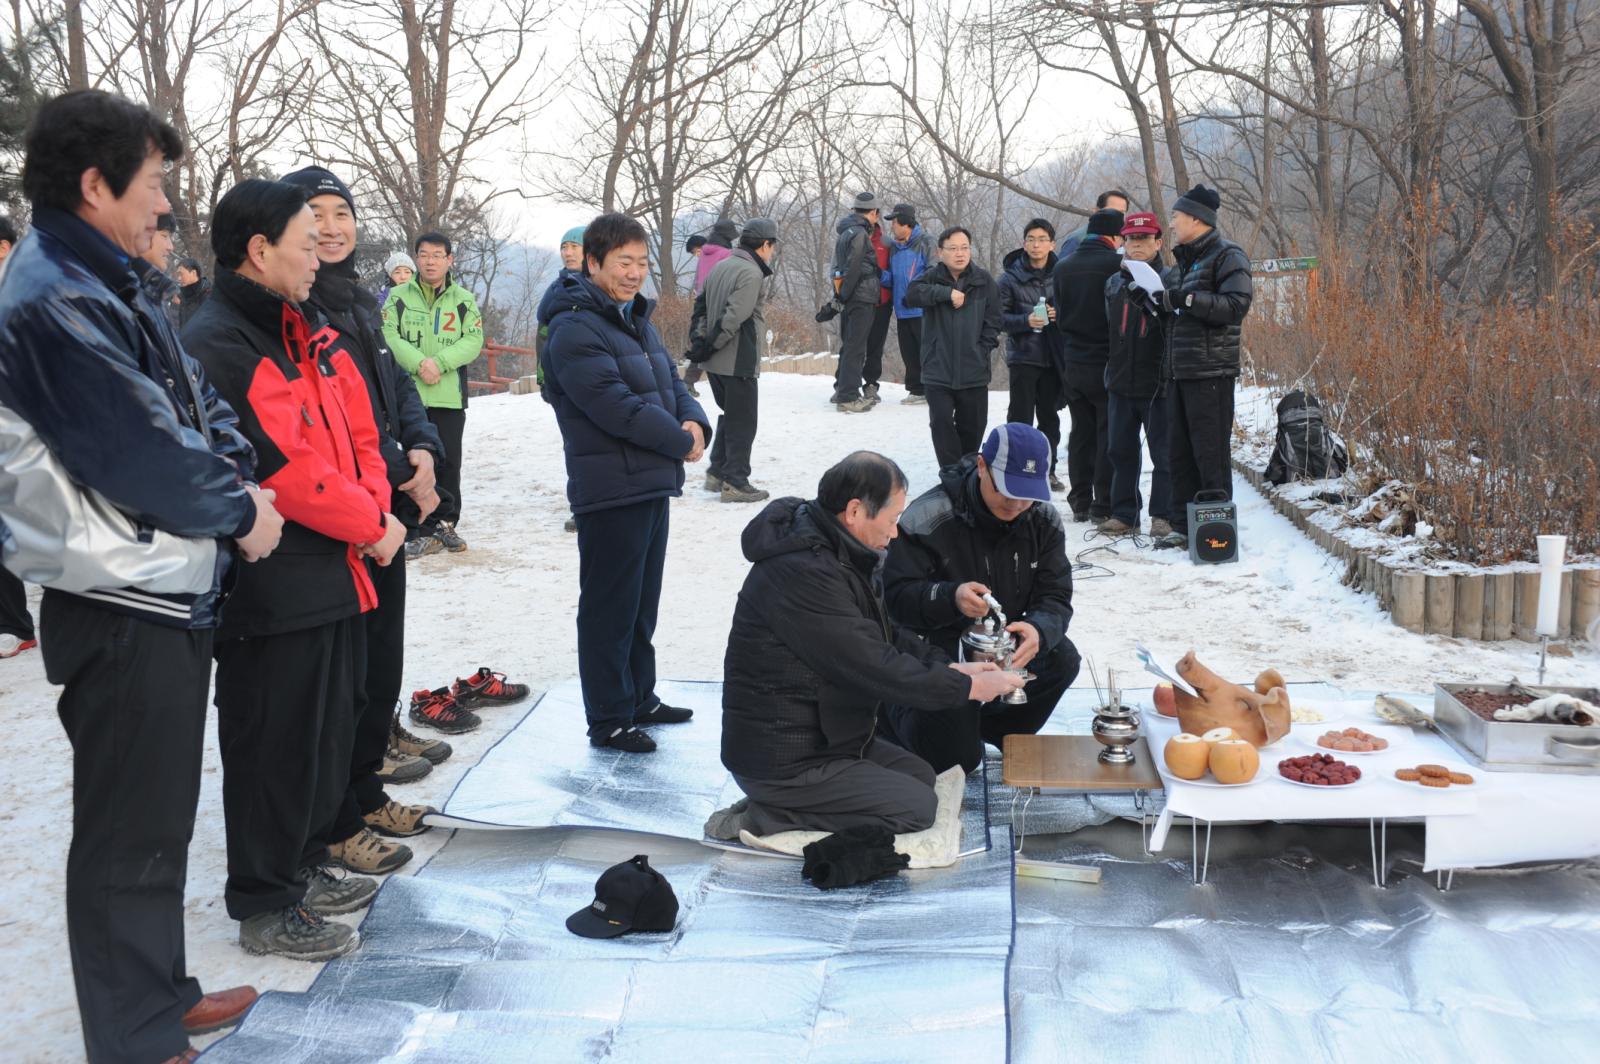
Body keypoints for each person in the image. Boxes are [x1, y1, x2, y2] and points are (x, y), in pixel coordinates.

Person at [0, 89, 279, 1064]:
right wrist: (239, 509)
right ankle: (134, 1033)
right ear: (94, 183)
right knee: (125, 827)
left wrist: (236, 470)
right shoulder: (53, 295)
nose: (164, 203)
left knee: (156, 812)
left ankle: (161, 990)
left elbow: (198, 404)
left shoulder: (108, 278)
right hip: (113, 590)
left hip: (157, 578)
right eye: (153, 181)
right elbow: (140, 451)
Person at [183, 178, 406, 961]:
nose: (320, 256)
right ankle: (265, 896)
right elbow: (285, 466)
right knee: (273, 741)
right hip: (277, 580)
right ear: (258, 250)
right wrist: (371, 522)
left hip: (338, 565)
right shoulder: (221, 338)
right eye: (306, 242)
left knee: (322, 733)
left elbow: (360, 433)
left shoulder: (302, 326)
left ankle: (306, 862)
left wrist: (378, 511)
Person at [282, 163, 450, 874]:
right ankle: (342, 810)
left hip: (384, 506)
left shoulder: (357, 301)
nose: (331, 227)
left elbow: (396, 388)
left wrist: (422, 448)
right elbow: (327, 424)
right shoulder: (294, 304)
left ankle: (365, 788)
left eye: (341, 213)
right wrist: (393, 474)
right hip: (345, 518)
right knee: (347, 679)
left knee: (380, 664)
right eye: (315, 214)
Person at [718, 452, 1024, 836]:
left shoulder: (843, 551)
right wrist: (967, 687)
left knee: (922, 776)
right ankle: (768, 816)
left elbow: (885, 633)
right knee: (917, 807)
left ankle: (788, 801)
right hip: (786, 757)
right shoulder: (803, 573)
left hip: (832, 737)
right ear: (855, 511)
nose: (896, 532)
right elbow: (870, 662)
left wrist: (951, 669)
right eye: (893, 519)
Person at [539, 212, 713, 752]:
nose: (635, 273)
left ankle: (640, 697)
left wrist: (696, 421)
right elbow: (617, 407)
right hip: (609, 487)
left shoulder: (634, 318)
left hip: (648, 482)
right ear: (593, 264)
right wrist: (678, 440)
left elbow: (670, 381)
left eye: (641, 262)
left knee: (641, 604)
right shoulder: (573, 326)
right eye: (623, 262)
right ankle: (609, 717)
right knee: (609, 609)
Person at [881, 424, 1081, 773]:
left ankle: (998, 731)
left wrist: (1038, 630)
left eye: (1028, 493)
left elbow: (1056, 594)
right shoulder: (928, 518)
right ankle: (909, 727)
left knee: (1062, 657)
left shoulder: (1042, 519)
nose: (1018, 504)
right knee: (958, 762)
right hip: (940, 653)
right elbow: (894, 599)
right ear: (982, 466)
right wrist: (949, 596)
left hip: (1006, 647)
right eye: (1009, 491)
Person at [1145, 185, 1253, 549]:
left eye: (1176, 217)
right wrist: (1151, 302)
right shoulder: (1181, 265)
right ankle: (1182, 525)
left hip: (1211, 373)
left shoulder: (1228, 256)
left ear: (1196, 218)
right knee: (1178, 452)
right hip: (1178, 372)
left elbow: (1235, 305)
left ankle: (1217, 533)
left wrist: (1187, 298)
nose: (1172, 224)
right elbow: (1172, 316)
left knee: (1210, 454)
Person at [382, 229, 483, 554]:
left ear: (449, 260)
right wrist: (417, 363)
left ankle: (446, 524)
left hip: (448, 396)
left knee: (449, 462)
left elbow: (473, 341)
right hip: (407, 397)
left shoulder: (463, 300)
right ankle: (418, 528)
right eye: (424, 255)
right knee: (412, 460)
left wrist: (438, 363)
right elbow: (388, 336)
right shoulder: (399, 298)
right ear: (416, 258)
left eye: (437, 255)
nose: (430, 261)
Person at [905, 225, 1002, 469]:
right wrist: (945, 293)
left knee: (974, 425)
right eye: (953, 248)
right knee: (941, 423)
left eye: (965, 248)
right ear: (940, 252)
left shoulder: (983, 281)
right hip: (938, 368)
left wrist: (982, 349)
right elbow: (911, 296)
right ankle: (951, 475)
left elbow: (994, 321)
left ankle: (968, 472)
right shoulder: (930, 278)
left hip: (974, 369)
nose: (960, 253)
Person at [1101, 212, 1172, 537]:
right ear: (1123, 243)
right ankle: (1124, 513)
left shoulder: (1171, 279)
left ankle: (1162, 515)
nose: (1137, 245)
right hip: (1119, 382)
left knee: (1163, 452)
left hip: (1157, 383)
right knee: (1120, 450)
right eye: (1131, 239)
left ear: (1158, 242)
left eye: (1144, 239)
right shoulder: (1113, 282)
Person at [1052, 208, 1125, 522]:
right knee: (1106, 431)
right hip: (1106, 360)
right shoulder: (1116, 265)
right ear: (1113, 236)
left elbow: (1059, 314)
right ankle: (1102, 501)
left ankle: (1079, 499)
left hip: (1073, 360)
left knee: (1080, 431)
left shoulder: (1063, 267)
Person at [701, 218, 778, 504]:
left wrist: (703, 348)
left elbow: (701, 307)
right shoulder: (750, 272)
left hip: (717, 362)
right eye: (772, 246)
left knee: (731, 416)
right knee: (744, 421)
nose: (772, 252)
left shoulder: (720, 265)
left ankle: (718, 472)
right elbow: (734, 317)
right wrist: (712, 343)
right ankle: (736, 481)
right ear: (765, 244)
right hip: (737, 359)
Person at [999, 218, 1066, 493]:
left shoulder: (1062, 273)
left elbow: (1076, 311)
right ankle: (1017, 469)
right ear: (1024, 244)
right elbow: (998, 318)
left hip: (1054, 356)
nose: (1036, 244)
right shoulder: (1009, 278)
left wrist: (1058, 314)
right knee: (1020, 417)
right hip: (1024, 355)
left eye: (1041, 239)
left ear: (1052, 243)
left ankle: (1047, 470)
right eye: (1031, 239)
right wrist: (1026, 321)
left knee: (1050, 416)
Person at [538, 225, 587, 535]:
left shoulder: (605, 284)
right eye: (564, 246)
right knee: (576, 448)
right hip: (565, 386)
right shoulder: (556, 289)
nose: (568, 252)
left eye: (574, 246)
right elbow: (543, 337)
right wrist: (546, 380)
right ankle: (580, 507)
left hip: (598, 381)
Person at [829, 192, 887, 412]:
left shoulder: (846, 232)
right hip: (861, 296)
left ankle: (843, 391)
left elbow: (839, 267)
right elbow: (854, 268)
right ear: (873, 213)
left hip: (850, 295)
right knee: (856, 348)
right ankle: (848, 397)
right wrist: (844, 294)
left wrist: (840, 295)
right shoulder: (860, 234)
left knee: (850, 345)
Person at [886, 202, 934, 405]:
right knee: (909, 353)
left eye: (895, 222)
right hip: (902, 310)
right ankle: (916, 390)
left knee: (927, 352)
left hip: (922, 310)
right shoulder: (894, 248)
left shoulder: (925, 241)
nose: (892, 227)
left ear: (906, 223)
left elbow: (933, 271)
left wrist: (916, 291)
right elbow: (893, 278)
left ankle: (932, 389)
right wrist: (878, 275)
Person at [683, 222, 733, 397]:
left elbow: (698, 283)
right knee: (712, 342)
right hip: (719, 303)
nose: (696, 255)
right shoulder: (727, 254)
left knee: (704, 342)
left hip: (702, 303)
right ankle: (689, 382)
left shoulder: (705, 257)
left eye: (695, 251)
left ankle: (689, 381)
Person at [1058, 189, 1131, 259]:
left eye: (1121, 213)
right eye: (1111, 211)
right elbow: (1061, 268)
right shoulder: (1078, 238)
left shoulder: (1127, 239)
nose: (1116, 216)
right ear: (1096, 211)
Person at [175, 255, 211, 327]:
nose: (179, 278)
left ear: (193, 273)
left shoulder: (209, 296)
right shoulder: (180, 298)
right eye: (178, 274)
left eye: (181, 274)